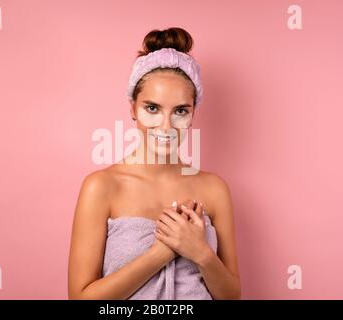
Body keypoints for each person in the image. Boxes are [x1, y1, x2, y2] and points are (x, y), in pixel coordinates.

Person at [68, 27, 241, 300]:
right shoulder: (101, 187)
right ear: (133, 109)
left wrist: (200, 253)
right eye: (152, 108)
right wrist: (163, 252)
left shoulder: (214, 189)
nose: (166, 126)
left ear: (193, 114)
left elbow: (231, 296)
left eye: (180, 111)